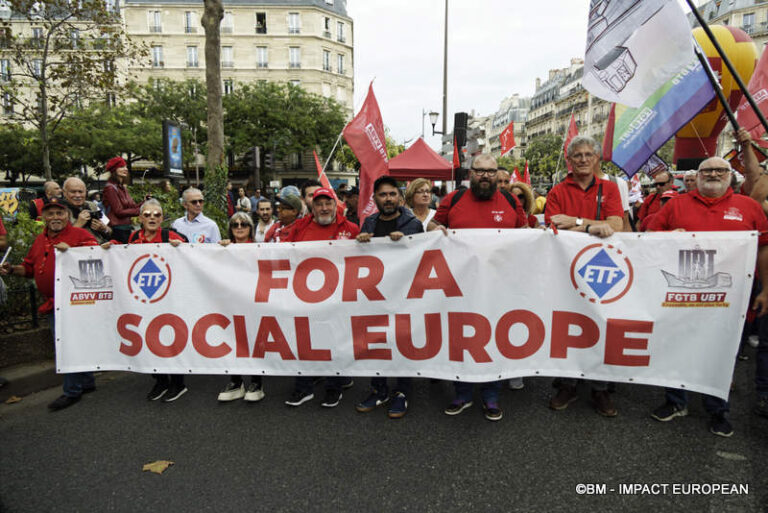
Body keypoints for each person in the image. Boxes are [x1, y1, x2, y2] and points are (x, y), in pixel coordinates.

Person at [647, 156, 768, 436]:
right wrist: (668, 237)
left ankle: (717, 409)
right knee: (676, 346)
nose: (713, 174)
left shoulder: (748, 207)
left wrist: (766, 289)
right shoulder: (676, 204)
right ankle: (676, 401)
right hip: (680, 294)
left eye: (720, 170)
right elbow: (650, 235)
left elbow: (764, 247)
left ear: (730, 175)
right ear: (698, 176)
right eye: (707, 170)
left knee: (721, 351)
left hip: (728, 297)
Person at [429, 154, 528, 422]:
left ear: (497, 174)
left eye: (490, 171)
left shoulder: (510, 200)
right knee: (461, 337)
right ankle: (462, 393)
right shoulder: (454, 199)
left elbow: (526, 233)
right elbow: (434, 224)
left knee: (492, 338)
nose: (485, 175)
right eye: (480, 170)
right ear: (470, 174)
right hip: (460, 284)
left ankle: (491, 395)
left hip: (499, 285)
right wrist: (434, 230)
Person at [544, 135, 623, 417]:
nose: (583, 159)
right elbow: (554, 227)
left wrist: (577, 223)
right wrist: (594, 227)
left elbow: (616, 225)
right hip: (566, 268)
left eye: (589, 154)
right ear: (569, 160)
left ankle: (600, 388)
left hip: (602, 266)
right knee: (568, 324)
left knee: (601, 324)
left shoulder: (610, 188)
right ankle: (568, 384)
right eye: (577, 155)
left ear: (597, 158)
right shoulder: (557, 191)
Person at [1, 198, 98, 411]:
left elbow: (97, 260)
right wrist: (12, 269)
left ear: (68, 216)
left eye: (59, 213)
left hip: (75, 302)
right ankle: (86, 381)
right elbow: (29, 268)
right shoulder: (40, 239)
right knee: (72, 344)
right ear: (44, 217)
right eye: (50, 214)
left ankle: (72, 391)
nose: (55, 217)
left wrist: (72, 252)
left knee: (66, 346)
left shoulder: (80, 235)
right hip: (54, 303)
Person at [103, 199, 187, 401]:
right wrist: (112, 247)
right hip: (144, 299)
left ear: (162, 218)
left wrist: (182, 247)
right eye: (147, 214)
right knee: (148, 340)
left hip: (169, 298)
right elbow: (123, 255)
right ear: (140, 218)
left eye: (157, 215)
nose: (152, 218)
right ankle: (160, 380)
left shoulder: (170, 236)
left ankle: (178, 383)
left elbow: (194, 254)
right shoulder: (134, 237)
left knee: (170, 339)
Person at [355, 176, 424, 419]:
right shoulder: (369, 223)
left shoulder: (413, 224)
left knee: (402, 341)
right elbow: (359, 259)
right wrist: (362, 242)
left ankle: (402, 391)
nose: (388, 199)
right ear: (375, 198)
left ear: (400, 197)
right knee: (377, 342)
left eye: (392, 194)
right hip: (375, 296)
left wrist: (404, 243)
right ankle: (379, 389)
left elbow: (421, 257)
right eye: (383, 195)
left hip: (403, 296)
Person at [283, 187, 359, 408]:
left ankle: (334, 388)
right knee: (304, 341)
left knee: (335, 341)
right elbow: (282, 253)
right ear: (312, 207)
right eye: (319, 204)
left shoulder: (351, 229)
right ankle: (303, 387)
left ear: (336, 205)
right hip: (305, 296)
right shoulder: (300, 227)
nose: (324, 208)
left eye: (328, 203)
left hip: (338, 298)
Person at [216, 212, 266, 403]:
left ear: (250, 228)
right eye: (235, 224)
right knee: (232, 340)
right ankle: (235, 382)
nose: (239, 227)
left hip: (253, 302)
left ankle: (256, 382)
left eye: (243, 224)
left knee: (253, 340)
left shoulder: (260, 249)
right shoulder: (223, 249)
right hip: (230, 303)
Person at [102, 156, 142, 244]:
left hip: (126, 228)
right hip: (117, 230)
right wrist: (140, 211)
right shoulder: (110, 188)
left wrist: (145, 202)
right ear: (114, 170)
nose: (125, 169)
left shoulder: (122, 188)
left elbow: (132, 206)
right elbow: (118, 211)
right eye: (121, 166)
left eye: (126, 166)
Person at [62, 177, 112, 243]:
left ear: (86, 192)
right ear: (64, 193)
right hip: (78, 247)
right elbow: (61, 241)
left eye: (81, 192)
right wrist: (78, 224)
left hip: (100, 245)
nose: (78, 195)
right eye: (73, 192)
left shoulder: (92, 205)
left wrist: (103, 228)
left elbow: (110, 231)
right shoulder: (59, 210)